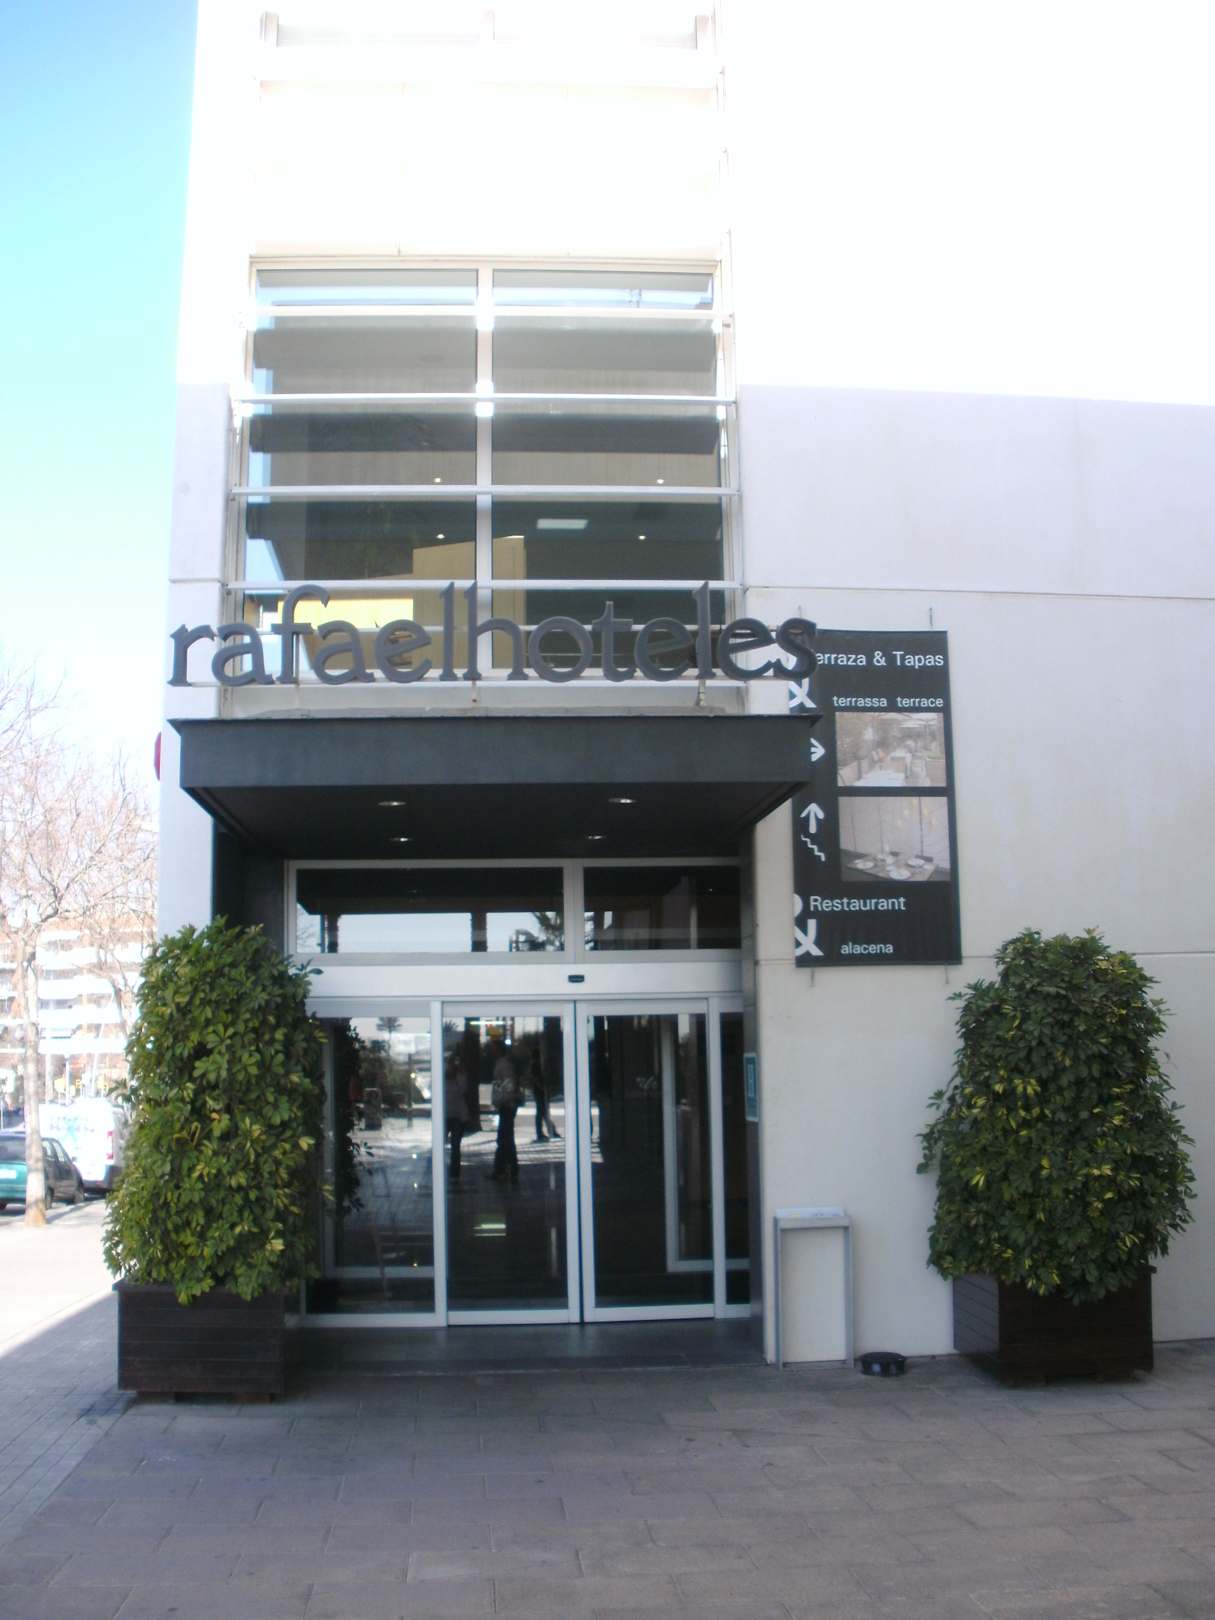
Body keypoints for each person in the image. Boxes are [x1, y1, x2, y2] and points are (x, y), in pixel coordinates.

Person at [489, 1041, 520, 1183]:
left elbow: (508, 1086)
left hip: (507, 1105)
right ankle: (505, 1168)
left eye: (494, 1049)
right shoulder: (502, 1065)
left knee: (504, 1138)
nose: (491, 1051)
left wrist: (500, 1099)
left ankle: (504, 1169)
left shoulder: (503, 1066)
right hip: (506, 1104)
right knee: (505, 1138)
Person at [444, 1054, 469, 1182]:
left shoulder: (460, 1077)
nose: (451, 1067)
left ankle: (454, 1173)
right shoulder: (441, 1077)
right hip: (445, 1115)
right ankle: (439, 1170)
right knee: (440, 1144)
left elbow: (463, 1090)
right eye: (449, 1064)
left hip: (458, 1116)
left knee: (455, 1145)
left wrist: (458, 1075)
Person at [528, 1052, 560, 1141]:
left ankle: (549, 1131)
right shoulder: (536, 1066)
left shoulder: (536, 1066)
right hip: (540, 1092)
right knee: (542, 1113)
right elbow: (536, 1079)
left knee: (543, 1113)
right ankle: (545, 1132)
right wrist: (542, 1088)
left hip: (540, 1092)